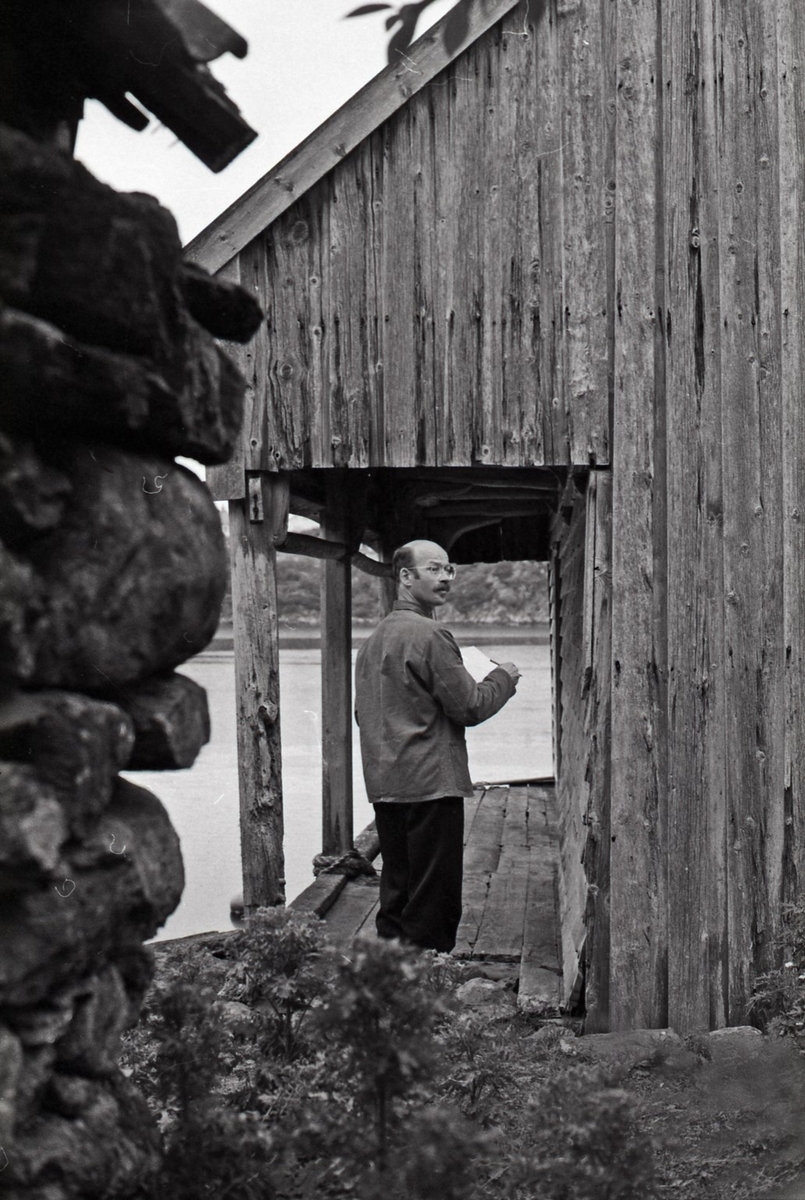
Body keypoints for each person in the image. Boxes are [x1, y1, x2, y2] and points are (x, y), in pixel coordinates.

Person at [354, 539, 520, 952]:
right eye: (434, 569)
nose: (446, 577)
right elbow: (469, 706)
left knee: (397, 890)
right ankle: (427, 993)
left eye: (449, 569)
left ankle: (390, 984)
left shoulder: (372, 641)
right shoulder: (430, 634)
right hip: (431, 784)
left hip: (386, 783)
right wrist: (504, 679)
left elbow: (364, 715)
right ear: (406, 577)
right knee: (434, 898)